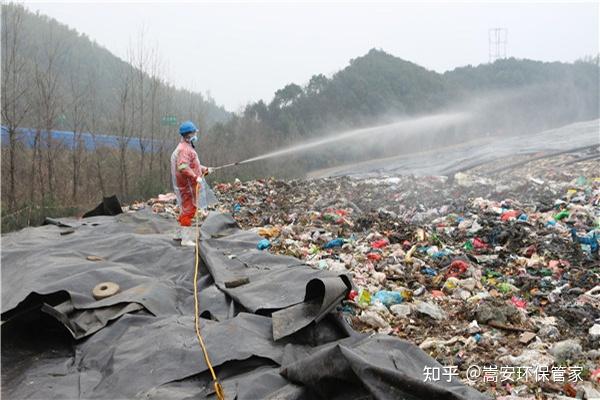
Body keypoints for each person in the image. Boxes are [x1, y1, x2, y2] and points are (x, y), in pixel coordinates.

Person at [170, 121, 213, 246]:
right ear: (188, 134)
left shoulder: (187, 147)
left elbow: (193, 165)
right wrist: (195, 177)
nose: (195, 134)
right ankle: (185, 239)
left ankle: (179, 234)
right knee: (188, 210)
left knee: (185, 209)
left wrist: (205, 169)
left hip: (187, 184)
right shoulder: (184, 149)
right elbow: (183, 167)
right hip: (187, 185)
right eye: (194, 132)